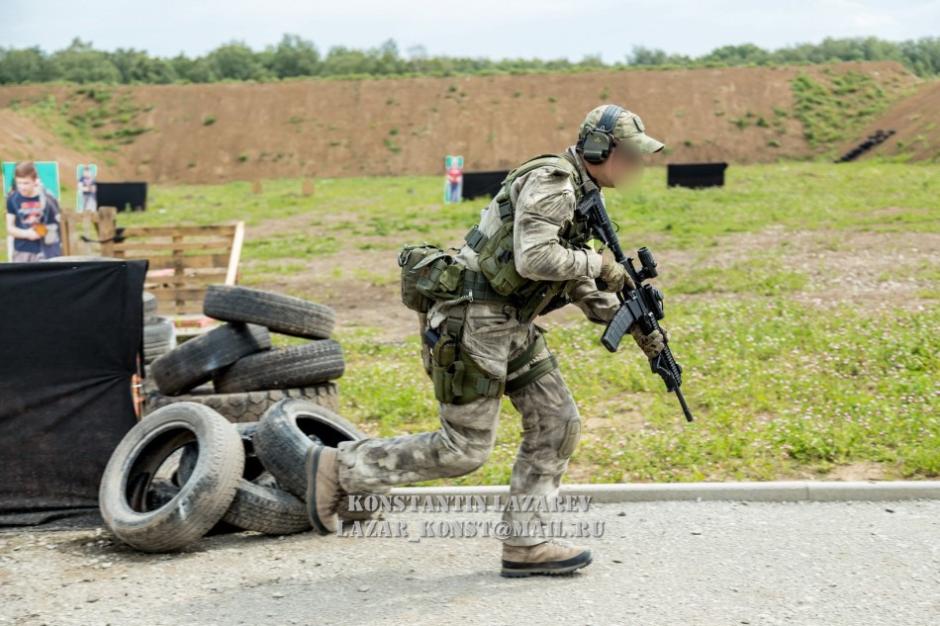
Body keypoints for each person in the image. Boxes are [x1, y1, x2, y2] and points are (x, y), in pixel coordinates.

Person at [307, 105, 667, 577]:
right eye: (630, 156)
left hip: (511, 323)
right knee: (464, 450)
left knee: (557, 422)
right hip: (473, 320)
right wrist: (600, 266)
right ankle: (342, 468)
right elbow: (536, 257)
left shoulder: (583, 194)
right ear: (600, 149)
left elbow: (570, 277)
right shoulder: (555, 183)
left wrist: (633, 322)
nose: (636, 167)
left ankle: (527, 543)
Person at [5, 161, 62, 262]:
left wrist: (42, 231)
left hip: (47, 251)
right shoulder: (12, 199)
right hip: (22, 251)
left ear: (35, 180)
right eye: (19, 183)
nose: (22, 187)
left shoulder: (48, 199)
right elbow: (9, 228)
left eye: (26, 183)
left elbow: (56, 226)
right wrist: (26, 233)